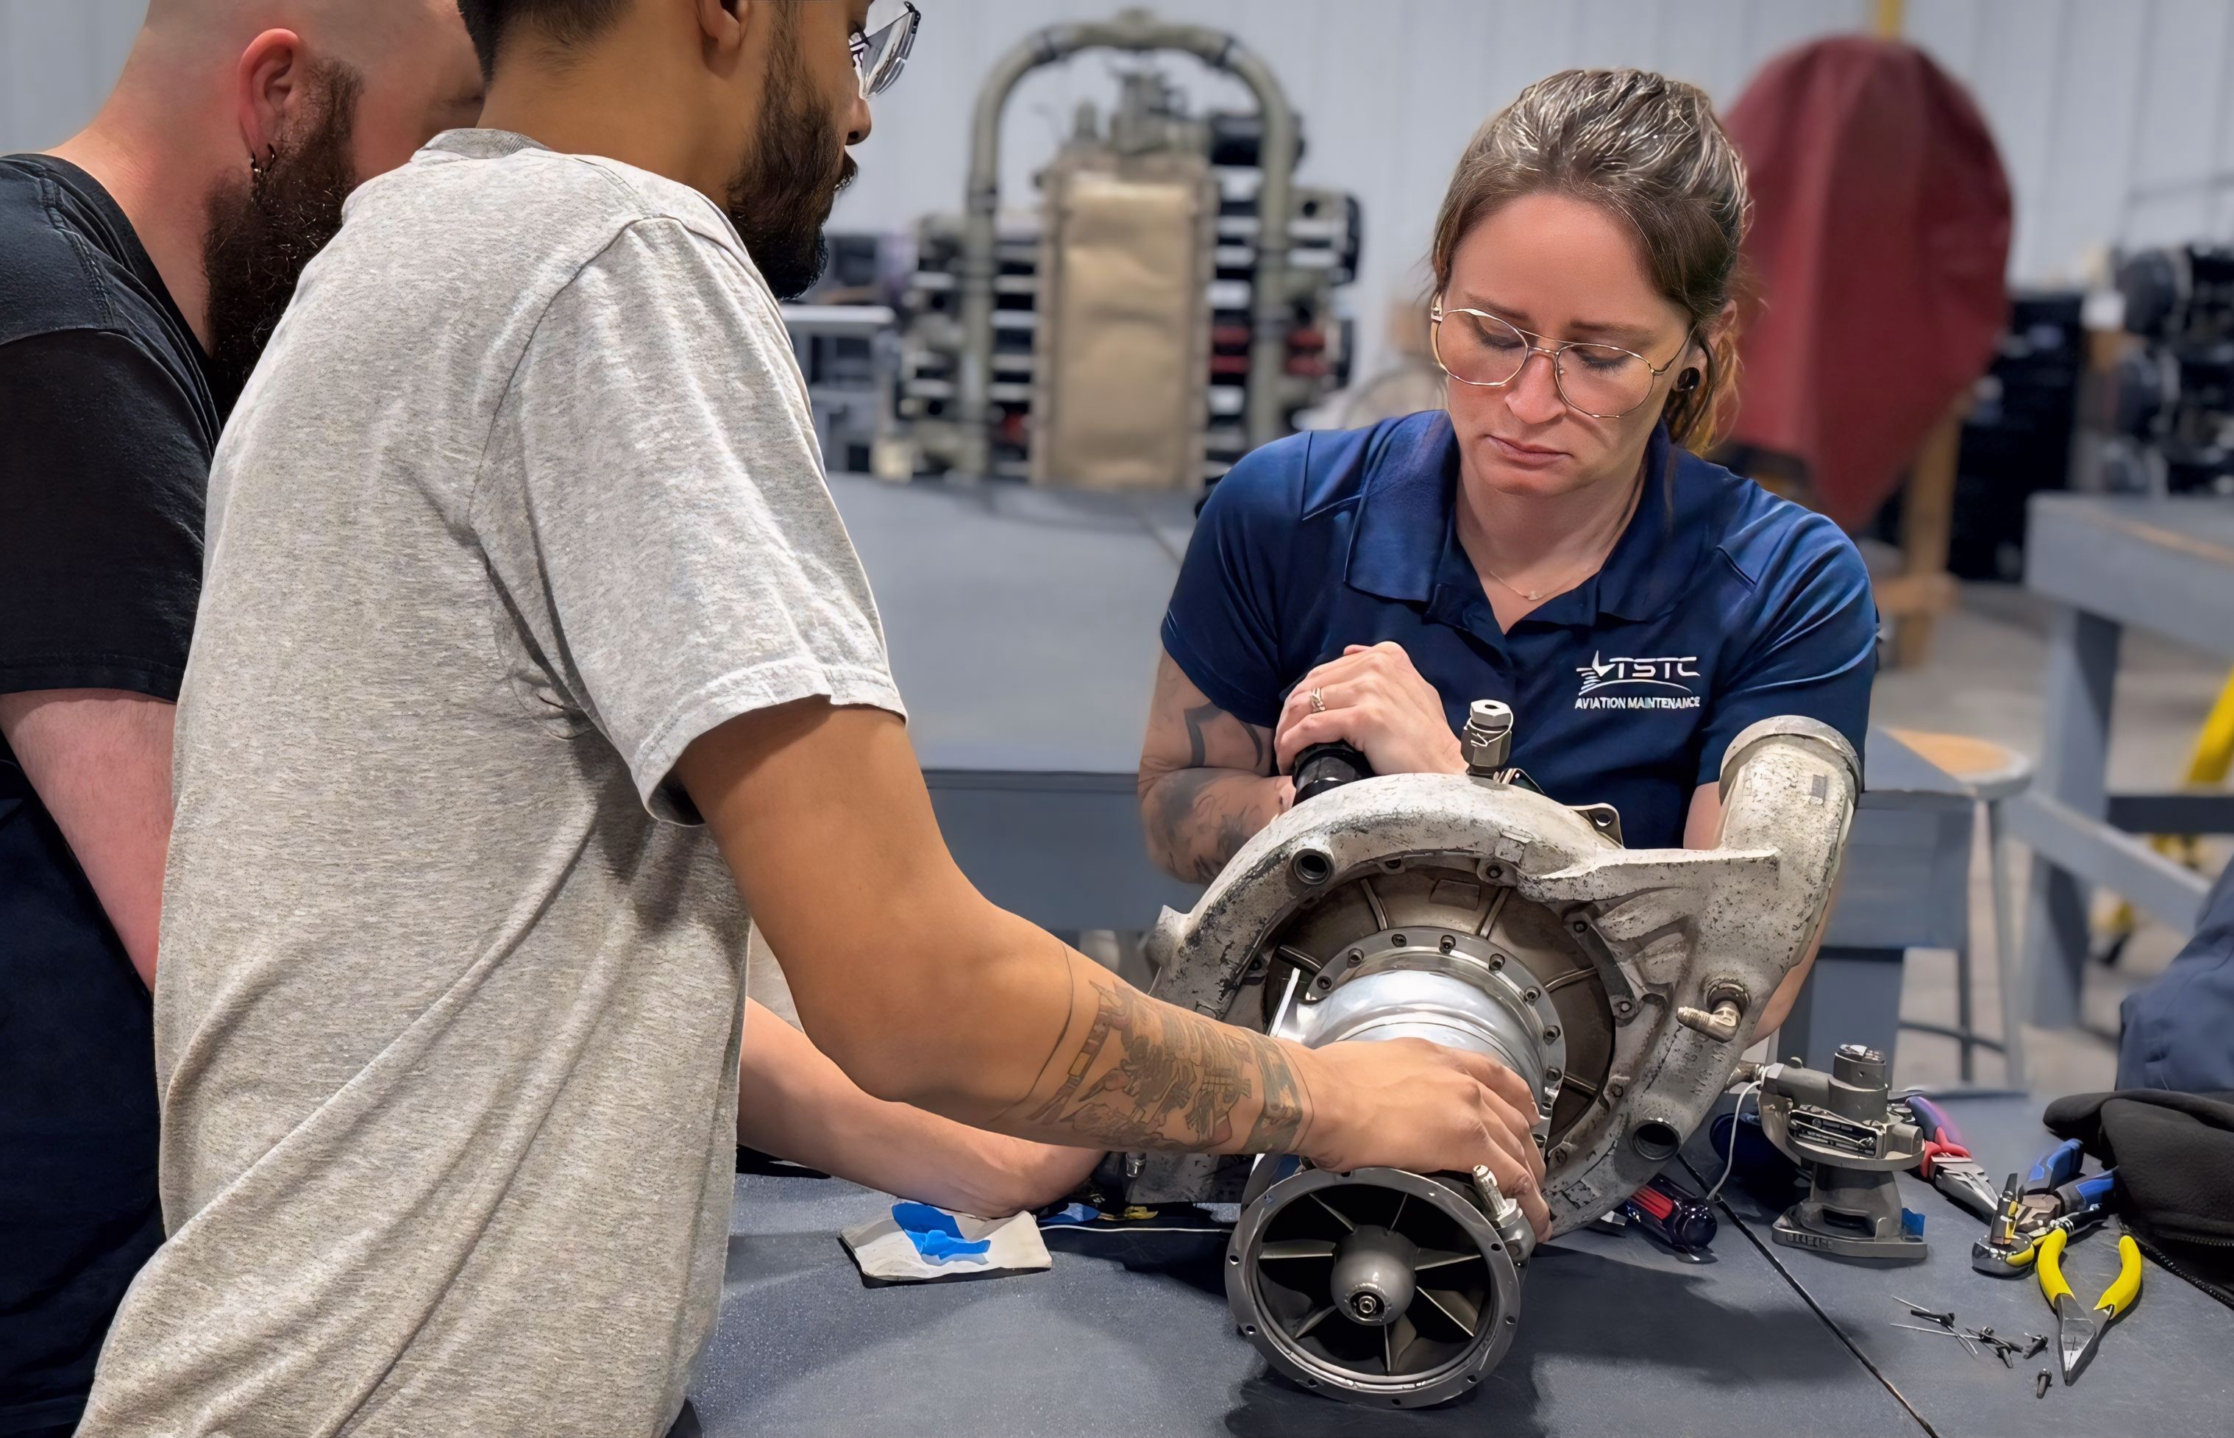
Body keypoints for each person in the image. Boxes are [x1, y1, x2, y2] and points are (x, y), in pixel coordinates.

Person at [74, 3, 1546, 1435]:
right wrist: (1328, 1097)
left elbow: (536, 906)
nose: (856, 106)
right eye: (849, 28)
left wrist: (1016, 1105)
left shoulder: (384, 259)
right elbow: (907, 984)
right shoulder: (619, 261)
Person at [1138, 69, 1880, 1041]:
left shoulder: (1784, 588)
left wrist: (1437, 799)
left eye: (1600, 356)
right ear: (1437, 294)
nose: (1528, 402)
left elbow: (1736, 984)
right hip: (1307, 1079)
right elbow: (1173, 806)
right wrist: (1326, 803)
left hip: (1595, 1137)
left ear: (1700, 345)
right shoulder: (1284, 515)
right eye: (1491, 334)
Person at [0, 7, 484, 1434]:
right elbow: (240, 946)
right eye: (436, 138)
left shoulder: (149, 343)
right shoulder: (60, 343)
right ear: (279, 96)